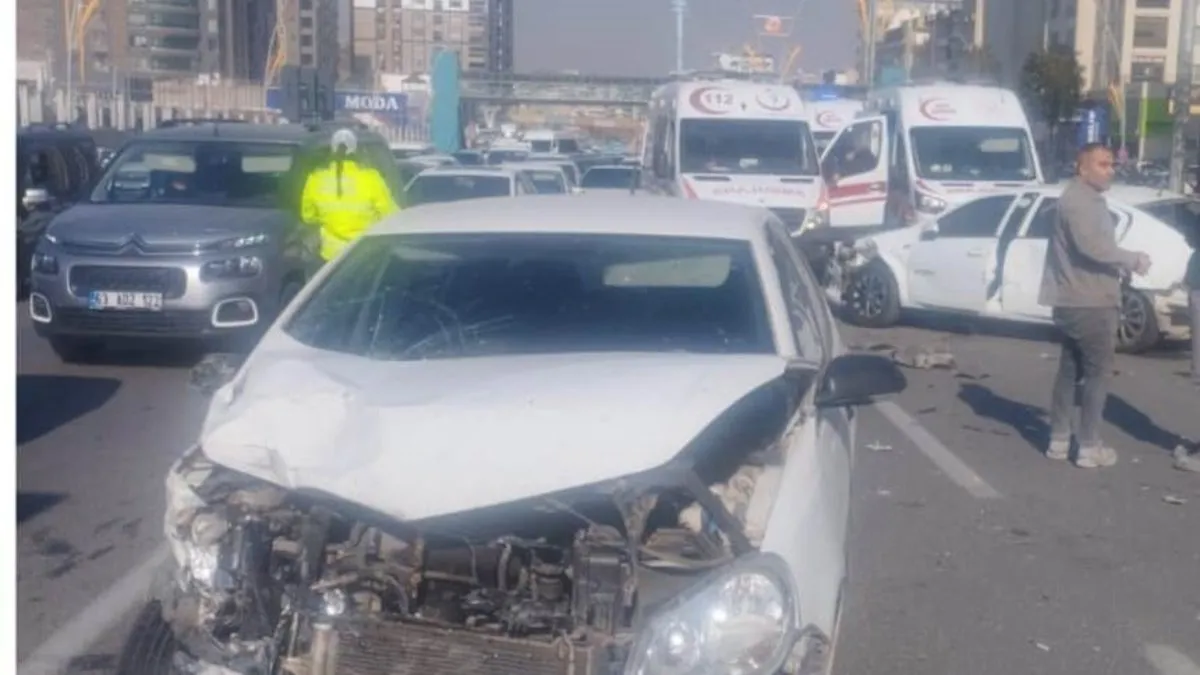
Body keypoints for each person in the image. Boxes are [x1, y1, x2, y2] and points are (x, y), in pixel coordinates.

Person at [1038, 143, 1152, 469]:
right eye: (1102, 164)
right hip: (1089, 301)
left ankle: (1059, 440)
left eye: (1111, 164)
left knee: (1070, 371)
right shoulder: (1079, 202)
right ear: (1081, 168)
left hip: (1077, 298)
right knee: (1098, 374)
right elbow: (1093, 247)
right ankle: (1088, 446)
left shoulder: (1082, 199)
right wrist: (1133, 259)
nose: (1110, 170)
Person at [300, 128, 399, 262]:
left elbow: (308, 216)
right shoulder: (371, 177)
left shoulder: (316, 178)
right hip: (365, 253)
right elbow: (390, 214)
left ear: (333, 149)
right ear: (355, 150)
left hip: (330, 257)